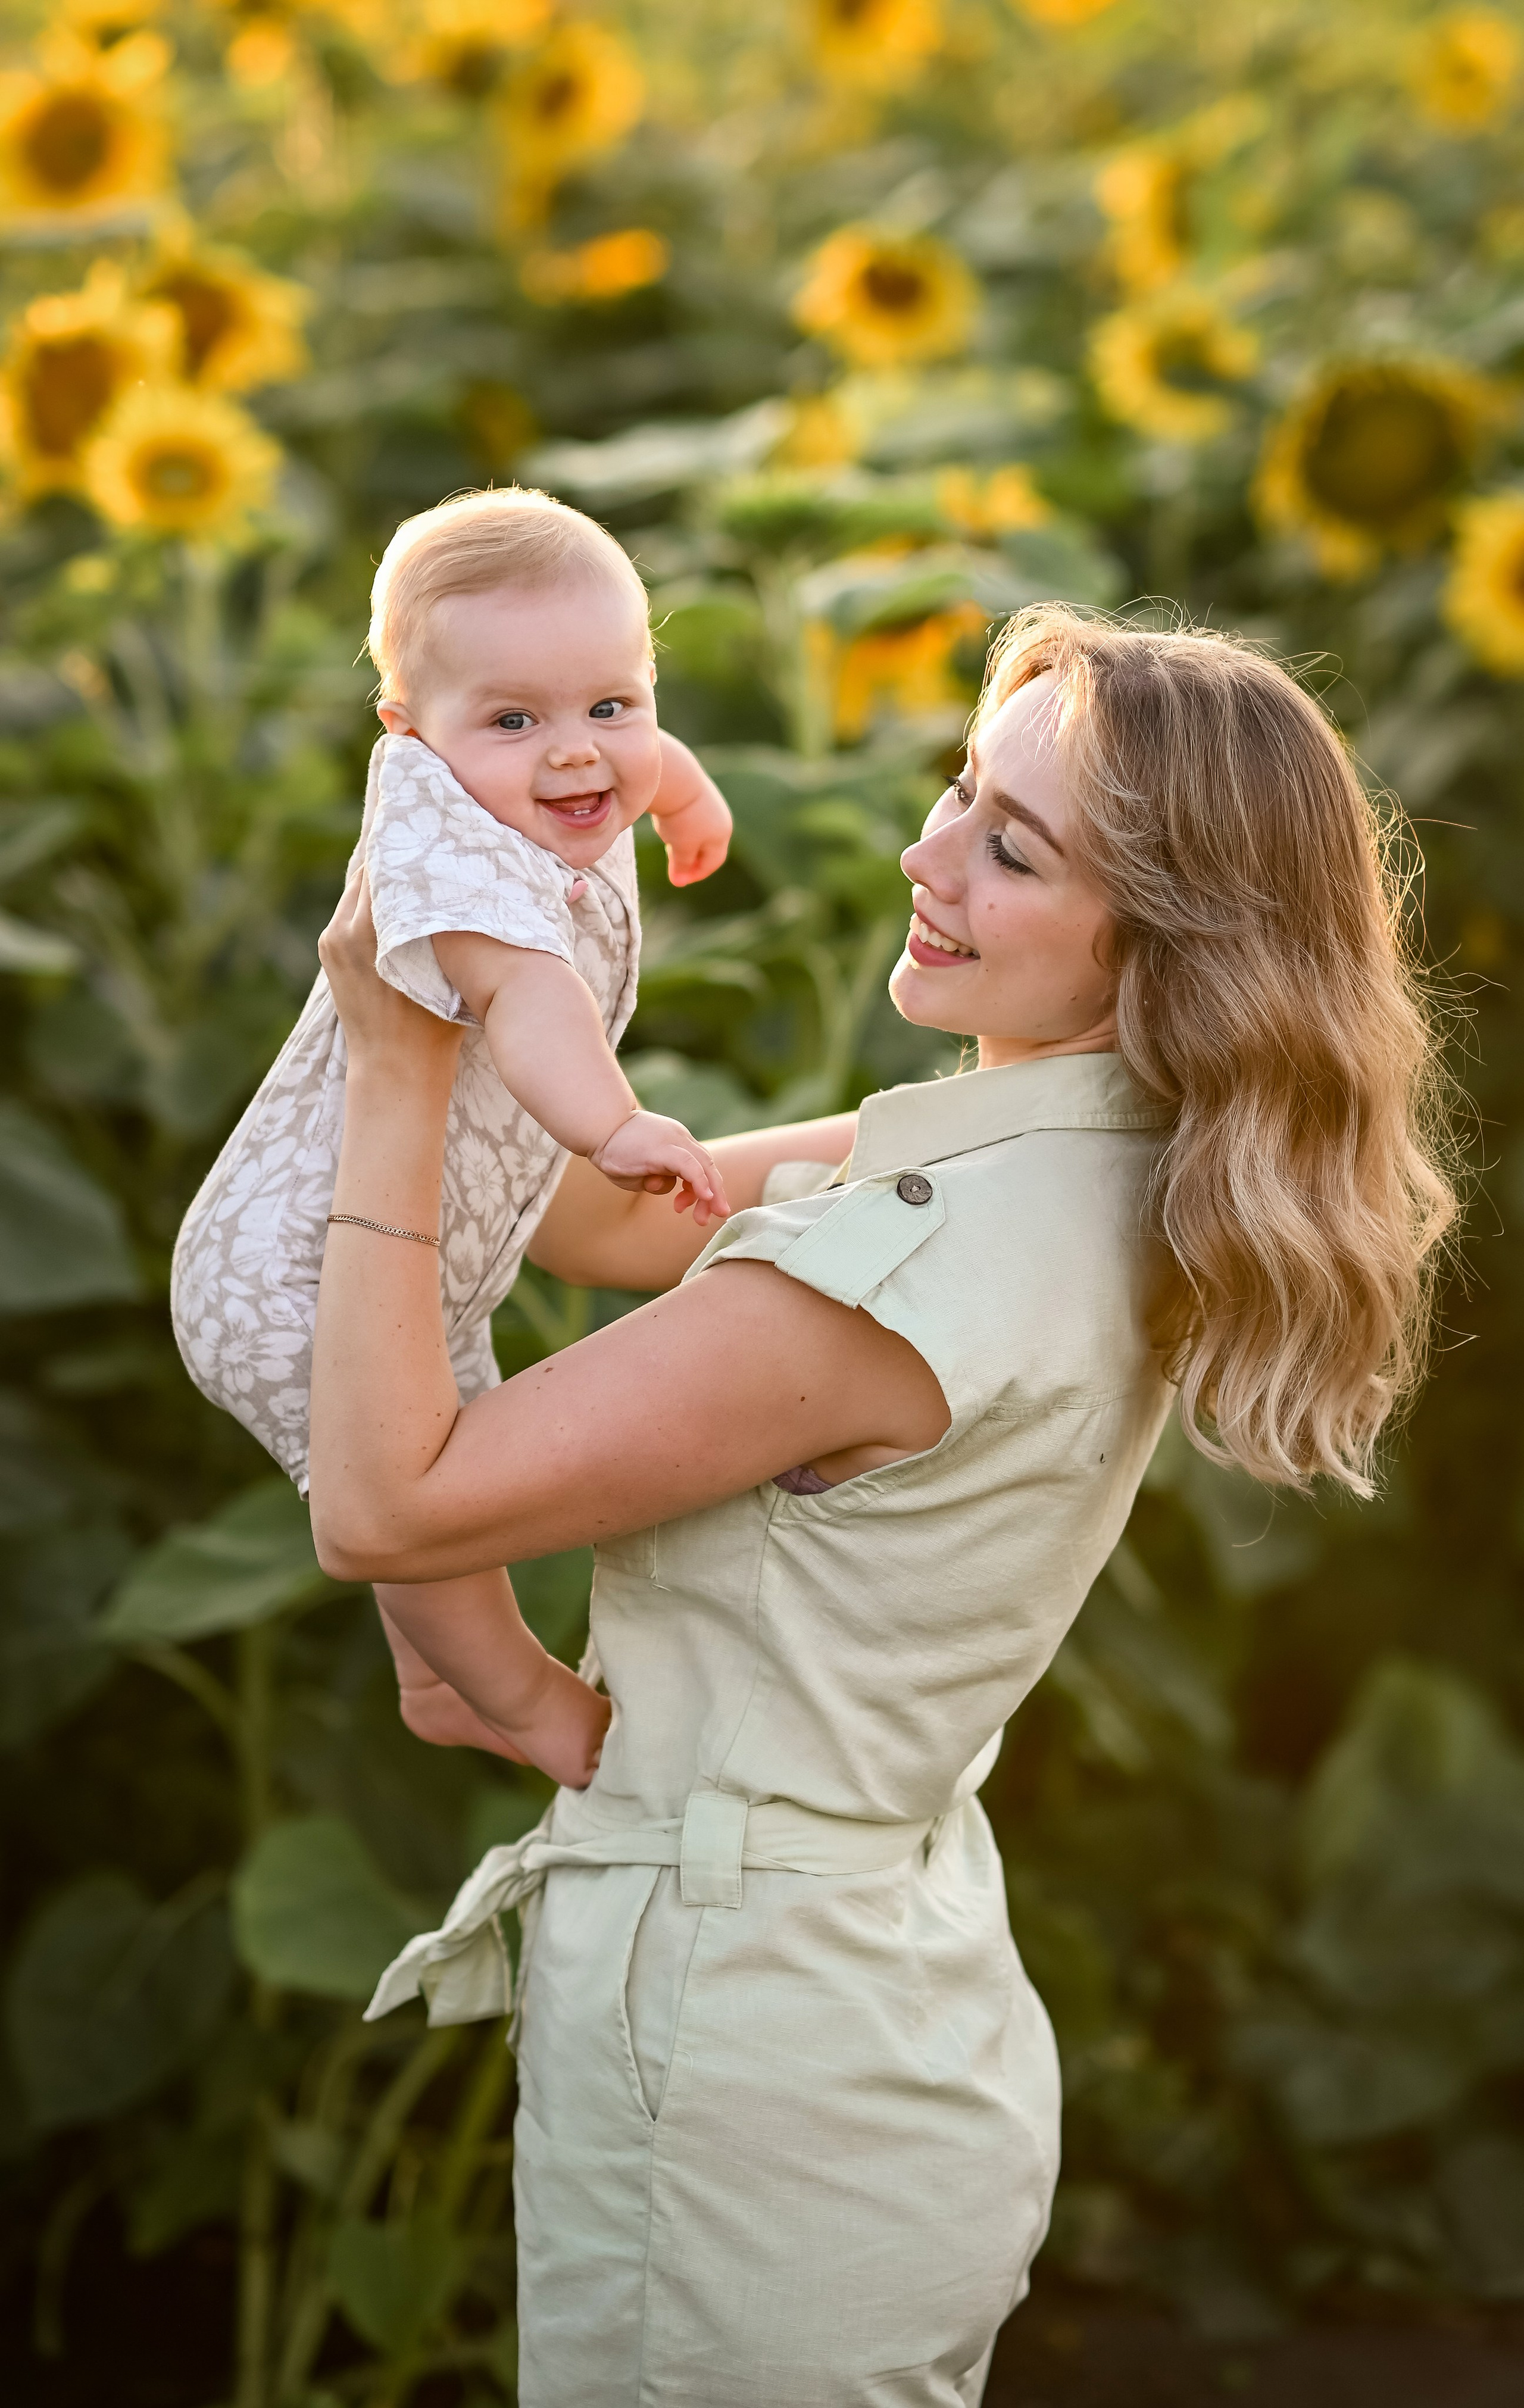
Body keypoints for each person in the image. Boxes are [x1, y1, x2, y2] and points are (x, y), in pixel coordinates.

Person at [310, 607, 1456, 2408]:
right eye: (958, 790)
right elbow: (610, 1217)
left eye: (1010, 847)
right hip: (874, 2020)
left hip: (751, 2084)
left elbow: (391, 1498)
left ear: (1164, 941)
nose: (927, 858)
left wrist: (391, 1061)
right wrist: (514, 920)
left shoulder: (894, 1279)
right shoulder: (1080, 1160)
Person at [170, 486, 734, 1790]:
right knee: (422, 1489)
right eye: (514, 720)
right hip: (298, 1273)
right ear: (409, 737)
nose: (577, 756)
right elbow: (530, 1004)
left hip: (428, 1250)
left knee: (442, 1428)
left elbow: (612, 733)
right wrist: (613, 1126)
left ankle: (431, 1680)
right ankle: (515, 1693)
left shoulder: (550, 777)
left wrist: (682, 787)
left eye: (613, 704)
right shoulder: (447, 861)